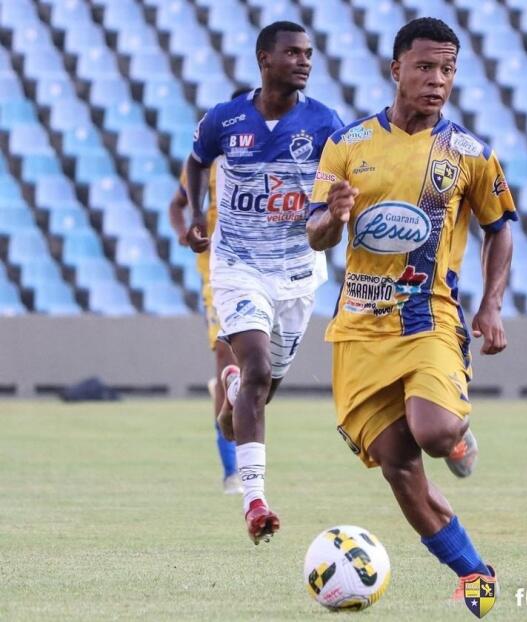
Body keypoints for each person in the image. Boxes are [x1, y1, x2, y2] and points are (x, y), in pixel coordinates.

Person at [306, 18, 516, 600]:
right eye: (425, 67)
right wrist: (333, 215)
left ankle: (457, 434)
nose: (437, 80)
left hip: (429, 317)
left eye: (447, 70)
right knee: (398, 465)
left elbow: (501, 230)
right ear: (395, 68)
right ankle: (476, 575)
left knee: (433, 429)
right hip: (358, 329)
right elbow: (316, 233)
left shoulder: (469, 154)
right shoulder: (347, 146)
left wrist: (492, 304)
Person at [185, 21, 343, 544]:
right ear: (264, 59)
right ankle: (255, 501)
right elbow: (195, 162)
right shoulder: (225, 120)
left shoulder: (325, 124)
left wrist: (337, 214)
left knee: (252, 398)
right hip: (238, 267)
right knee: (254, 367)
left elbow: (337, 193)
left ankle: (231, 390)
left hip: (297, 275)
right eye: (292, 53)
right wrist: (197, 211)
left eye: (309, 54)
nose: (304, 61)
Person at [168, 87, 250, 496]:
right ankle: (232, 470)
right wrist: (186, 232)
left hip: (260, 271)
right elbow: (177, 204)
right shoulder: (209, 161)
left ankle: (247, 463)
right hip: (216, 275)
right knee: (226, 356)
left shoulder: (270, 159)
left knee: (256, 370)